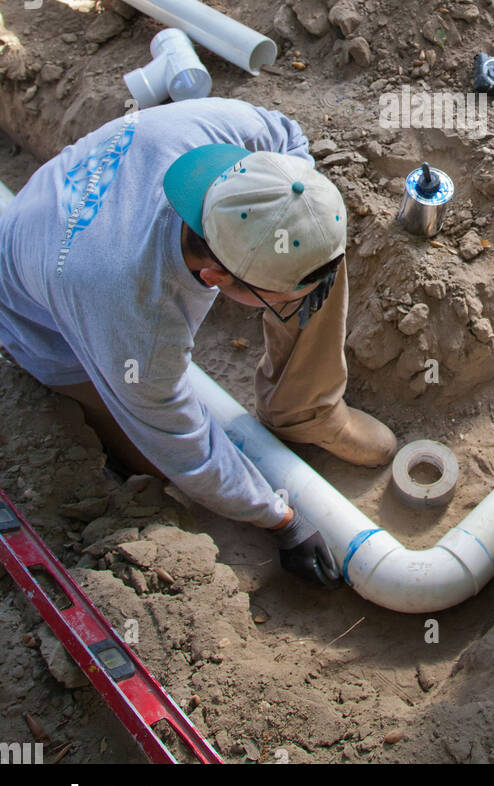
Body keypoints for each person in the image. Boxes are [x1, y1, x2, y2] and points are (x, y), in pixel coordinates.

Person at [0, 96, 398, 585]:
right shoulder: (134, 319)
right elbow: (184, 445)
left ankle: (307, 412)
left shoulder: (228, 137)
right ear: (214, 277)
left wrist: (299, 238)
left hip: (67, 216)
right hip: (45, 325)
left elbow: (289, 140)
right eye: (270, 296)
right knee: (160, 469)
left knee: (316, 264)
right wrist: (282, 521)